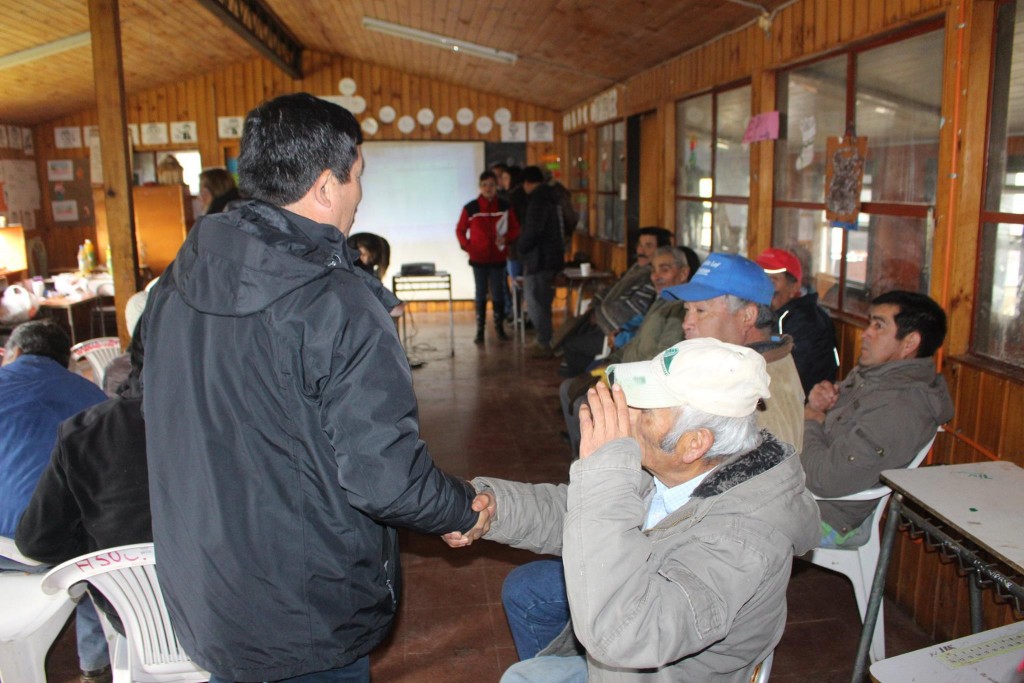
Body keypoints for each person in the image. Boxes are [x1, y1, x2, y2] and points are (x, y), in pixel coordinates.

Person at [139, 92, 481, 683]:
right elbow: (385, 479)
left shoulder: (182, 273)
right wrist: (461, 507)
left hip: (208, 583)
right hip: (304, 606)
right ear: (326, 187)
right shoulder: (335, 301)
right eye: (357, 178)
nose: (359, 194)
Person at [448, 339, 821, 681]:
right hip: (623, 645)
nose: (625, 412)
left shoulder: (745, 541)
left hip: (649, 663)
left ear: (693, 444)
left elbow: (629, 633)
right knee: (527, 608)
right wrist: (497, 507)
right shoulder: (687, 471)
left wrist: (606, 472)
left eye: (645, 409)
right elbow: (580, 514)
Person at [0, 319, 112, 683]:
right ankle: (95, 664)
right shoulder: (91, 395)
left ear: (14, 352)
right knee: (97, 553)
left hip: (5, 540)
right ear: (65, 361)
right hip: (64, 548)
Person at [15, 333, 149, 634]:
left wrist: (97, 555)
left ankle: (93, 666)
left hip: (134, 614)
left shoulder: (87, 429)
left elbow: (37, 542)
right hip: (236, 617)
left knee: (87, 560)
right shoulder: (248, 423)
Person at [802, 290, 954, 547]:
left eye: (879, 325)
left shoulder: (902, 407)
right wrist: (821, 400)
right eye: (870, 323)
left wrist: (812, 418)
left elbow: (825, 480)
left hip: (825, 514)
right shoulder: (876, 377)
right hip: (802, 487)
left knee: (723, 509)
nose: (866, 333)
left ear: (909, 343)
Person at [559, 245, 697, 456]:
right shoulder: (661, 301)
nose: (656, 276)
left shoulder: (681, 309)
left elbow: (665, 358)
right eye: (654, 270)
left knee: (582, 402)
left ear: (684, 272)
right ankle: (582, 453)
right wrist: (610, 361)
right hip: (623, 370)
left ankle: (591, 459)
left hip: (640, 384)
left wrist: (620, 376)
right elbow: (636, 342)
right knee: (570, 387)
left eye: (665, 269)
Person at [556, 226, 673, 376]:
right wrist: (596, 306)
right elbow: (611, 289)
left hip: (615, 331)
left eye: (648, 246)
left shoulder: (652, 279)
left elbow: (634, 310)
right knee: (571, 333)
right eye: (640, 245)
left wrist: (601, 316)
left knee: (572, 344)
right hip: (612, 329)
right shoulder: (635, 269)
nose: (641, 250)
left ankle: (580, 384)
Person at [755, 247, 839, 394]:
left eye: (773, 280)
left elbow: (791, 379)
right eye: (762, 278)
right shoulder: (767, 313)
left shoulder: (808, 323)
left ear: (794, 287)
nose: (765, 286)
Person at [456, 170, 520, 344]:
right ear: (480, 187)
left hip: (499, 258)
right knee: (480, 293)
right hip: (478, 259)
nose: (488, 188)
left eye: (491, 185)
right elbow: (460, 230)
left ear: (496, 186)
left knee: (499, 292)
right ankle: (480, 331)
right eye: (485, 185)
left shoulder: (505, 206)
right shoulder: (471, 208)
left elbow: (515, 228)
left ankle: (499, 328)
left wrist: (506, 239)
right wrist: (469, 247)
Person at [519, 165, 565, 358]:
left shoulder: (538, 200)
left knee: (535, 300)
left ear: (527, 183)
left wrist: (520, 247)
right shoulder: (552, 197)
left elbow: (533, 231)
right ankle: (546, 339)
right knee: (543, 300)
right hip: (552, 257)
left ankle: (544, 341)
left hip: (539, 259)